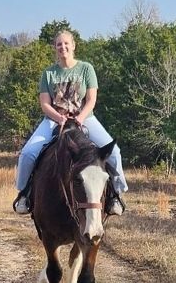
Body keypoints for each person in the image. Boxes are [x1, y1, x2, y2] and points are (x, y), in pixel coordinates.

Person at [13, 30, 127, 216]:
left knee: (113, 152)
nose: (62, 47)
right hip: (53, 120)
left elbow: (91, 99)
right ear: (55, 48)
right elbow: (44, 103)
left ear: (73, 46)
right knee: (27, 153)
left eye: (66, 43)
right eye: (59, 44)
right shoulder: (48, 73)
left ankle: (116, 195)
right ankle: (24, 195)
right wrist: (59, 118)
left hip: (85, 118)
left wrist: (80, 118)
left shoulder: (86, 68)